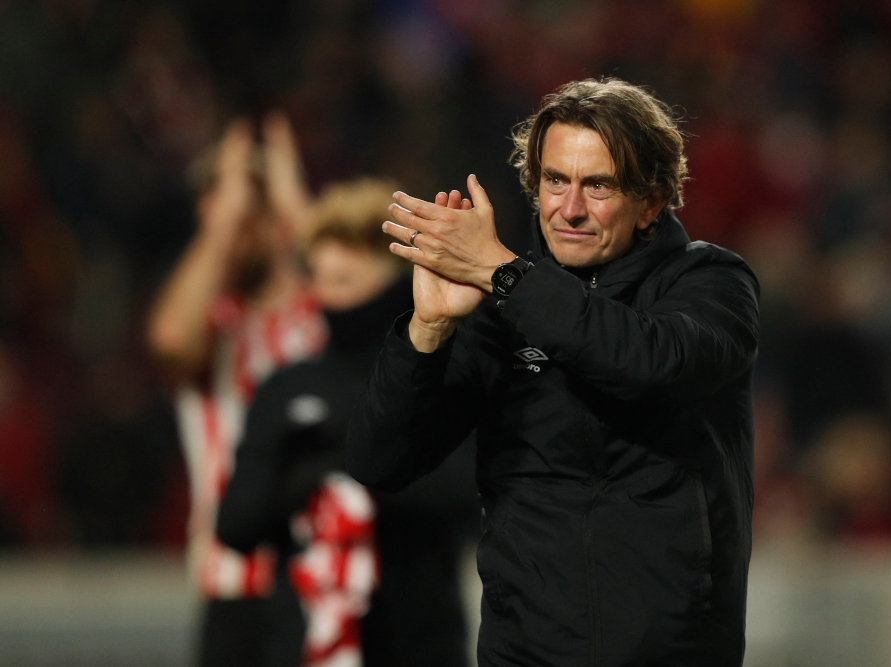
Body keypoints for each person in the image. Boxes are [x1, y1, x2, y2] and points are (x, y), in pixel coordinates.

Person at [347, 78, 761, 666]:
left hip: (669, 653)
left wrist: (507, 276)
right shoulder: (499, 305)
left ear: (652, 201)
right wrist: (427, 331)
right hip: (525, 652)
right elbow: (377, 462)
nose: (569, 209)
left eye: (599, 186)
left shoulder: (710, 283)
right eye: (554, 181)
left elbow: (646, 363)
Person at [217, 178, 474, 667]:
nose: (329, 299)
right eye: (320, 280)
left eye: (347, 281)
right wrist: (303, 482)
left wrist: (344, 464)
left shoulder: (444, 379)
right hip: (306, 644)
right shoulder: (288, 388)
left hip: (422, 642)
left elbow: (468, 492)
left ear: (396, 283)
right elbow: (236, 524)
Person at [148, 114, 325, 667]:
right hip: (232, 585)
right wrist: (223, 223)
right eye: (209, 220)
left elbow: (367, 315)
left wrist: (300, 212)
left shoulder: (320, 313)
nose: (223, 237)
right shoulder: (214, 322)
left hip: (326, 577)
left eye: (240, 219)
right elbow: (172, 339)